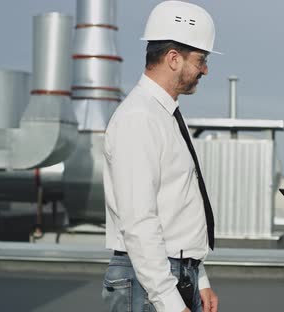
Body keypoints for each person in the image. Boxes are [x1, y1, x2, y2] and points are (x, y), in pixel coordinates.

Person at [102, 1, 220, 311]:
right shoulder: (140, 118)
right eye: (201, 60)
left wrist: (200, 277)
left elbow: (177, 207)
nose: (205, 69)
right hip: (150, 282)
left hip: (172, 273)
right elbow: (139, 220)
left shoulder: (162, 115)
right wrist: (169, 300)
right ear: (173, 59)